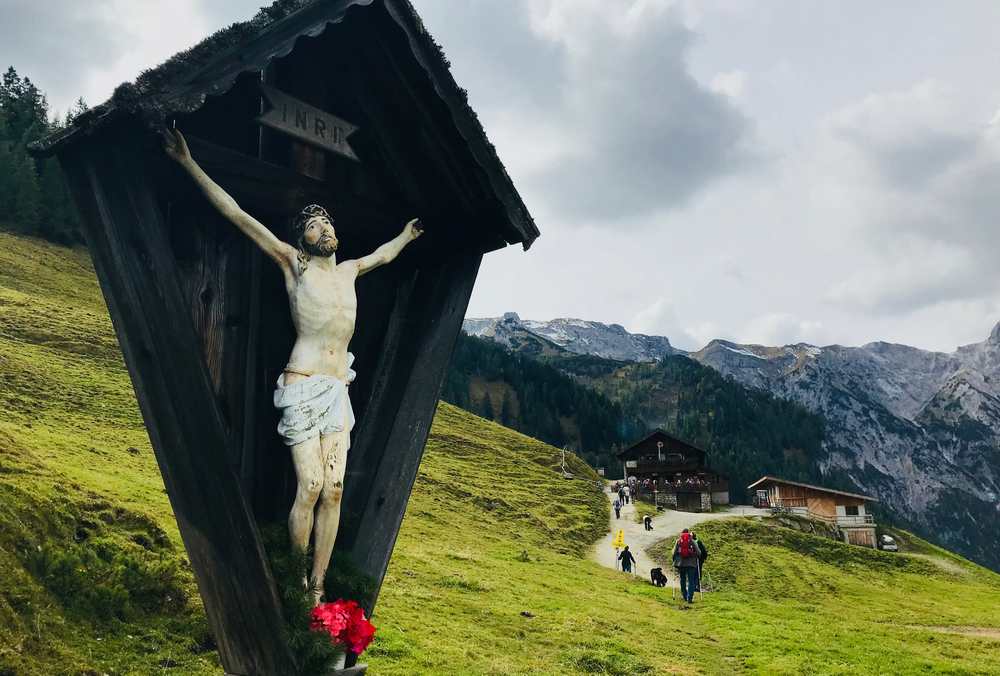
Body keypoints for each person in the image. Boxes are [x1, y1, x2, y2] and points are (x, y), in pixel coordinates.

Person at [165, 129, 424, 605]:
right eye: (313, 225)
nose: (324, 229)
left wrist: (407, 235)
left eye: (328, 222)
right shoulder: (293, 265)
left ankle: (318, 585)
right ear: (301, 239)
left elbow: (384, 254)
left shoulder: (350, 271)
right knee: (309, 485)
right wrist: (187, 161)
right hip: (303, 385)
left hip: (336, 389)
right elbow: (238, 215)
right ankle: (293, 577)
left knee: (336, 488)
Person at [671, 528, 700, 603]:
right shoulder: (692, 541)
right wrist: (694, 555)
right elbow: (699, 552)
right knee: (691, 581)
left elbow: (673, 552)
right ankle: (689, 598)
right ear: (689, 534)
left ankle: (684, 596)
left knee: (682, 579)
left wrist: (674, 559)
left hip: (681, 564)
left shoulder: (678, 541)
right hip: (691, 564)